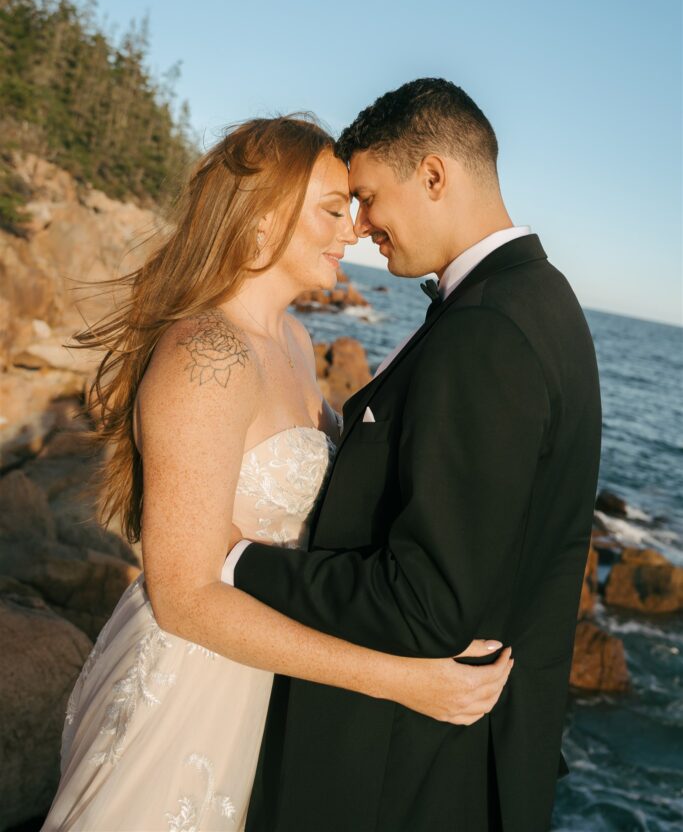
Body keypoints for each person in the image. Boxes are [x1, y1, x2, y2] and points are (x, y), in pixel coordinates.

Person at [42, 115, 513, 832]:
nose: (352, 231)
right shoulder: (207, 354)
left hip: (272, 666)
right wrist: (406, 683)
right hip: (195, 687)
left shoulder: (293, 339)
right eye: (331, 210)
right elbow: (185, 597)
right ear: (260, 222)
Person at [223, 81, 603, 832]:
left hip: (402, 773)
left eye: (366, 197)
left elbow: (427, 605)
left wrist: (239, 565)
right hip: (468, 759)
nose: (360, 227)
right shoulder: (540, 299)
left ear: (432, 176)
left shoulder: (486, 330)